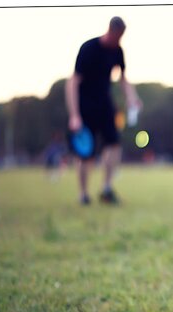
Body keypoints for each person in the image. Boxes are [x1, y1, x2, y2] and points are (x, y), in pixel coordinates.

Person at [66, 16, 141, 205]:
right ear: (111, 30)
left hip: (105, 104)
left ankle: (106, 188)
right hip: (85, 106)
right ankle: (83, 194)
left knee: (114, 144)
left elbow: (123, 79)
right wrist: (74, 115)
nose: (118, 40)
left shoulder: (117, 51)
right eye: (117, 36)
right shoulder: (89, 48)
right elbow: (73, 82)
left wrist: (132, 98)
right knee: (85, 153)